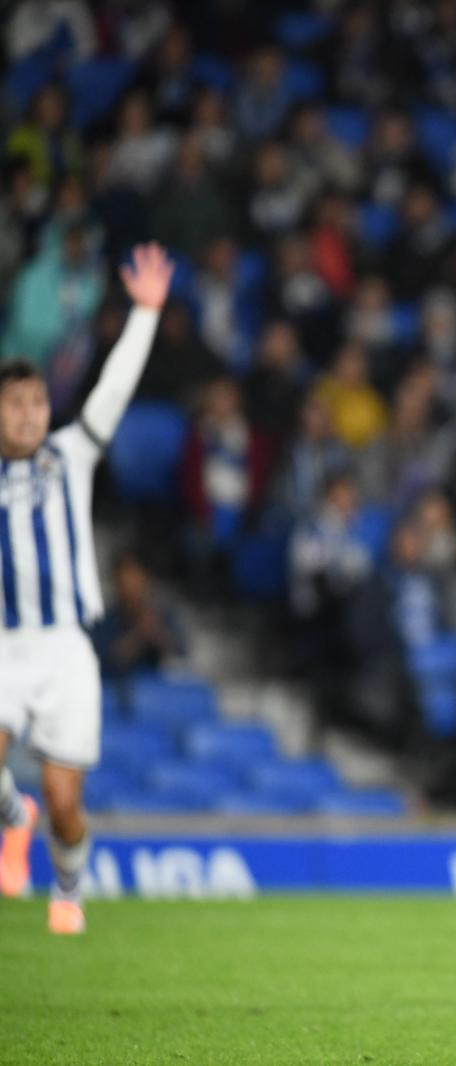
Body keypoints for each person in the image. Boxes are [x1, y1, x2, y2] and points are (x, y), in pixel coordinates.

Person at [0, 243, 173, 934]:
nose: (30, 414)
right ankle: (13, 817)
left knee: (65, 800)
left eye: (37, 402)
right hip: (5, 643)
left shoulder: (69, 456)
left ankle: (67, 888)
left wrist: (145, 315)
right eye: (15, 404)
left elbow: (115, 388)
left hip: (66, 648)